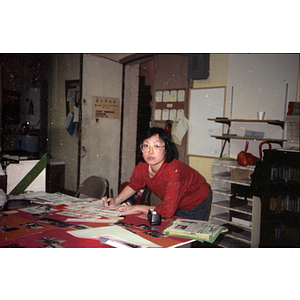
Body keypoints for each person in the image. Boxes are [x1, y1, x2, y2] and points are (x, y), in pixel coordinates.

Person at [102, 127, 211, 220]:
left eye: (157, 146)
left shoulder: (173, 172)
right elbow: (133, 186)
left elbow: (167, 211)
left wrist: (138, 207)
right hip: (174, 204)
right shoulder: (142, 167)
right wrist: (115, 201)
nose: (150, 151)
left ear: (166, 149)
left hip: (195, 202)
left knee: (182, 239)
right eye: (146, 145)